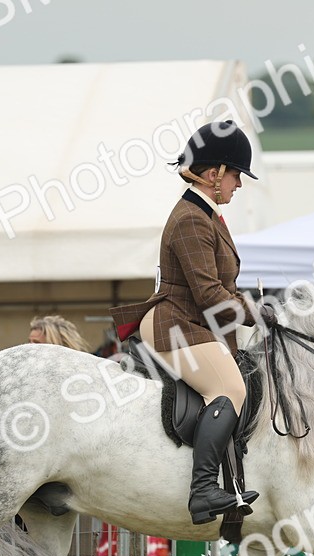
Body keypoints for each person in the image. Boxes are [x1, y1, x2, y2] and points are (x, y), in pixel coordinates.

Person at [110, 120, 267, 525]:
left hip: (191, 321)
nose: (239, 184)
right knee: (229, 387)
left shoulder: (207, 214)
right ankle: (203, 491)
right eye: (235, 175)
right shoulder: (191, 220)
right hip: (176, 323)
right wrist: (256, 312)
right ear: (214, 174)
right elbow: (210, 295)